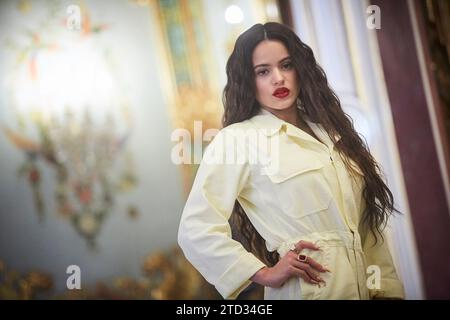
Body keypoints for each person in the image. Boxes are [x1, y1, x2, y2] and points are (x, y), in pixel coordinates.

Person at [177, 22, 405, 300]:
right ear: (248, 80)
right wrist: (263, 272)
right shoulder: (238, 140)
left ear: (300, 69)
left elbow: (366, 229)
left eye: (286, 65)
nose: (278, 79)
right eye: (263, 71)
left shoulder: (333, 133)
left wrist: (386, 291)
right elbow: (195, 229)